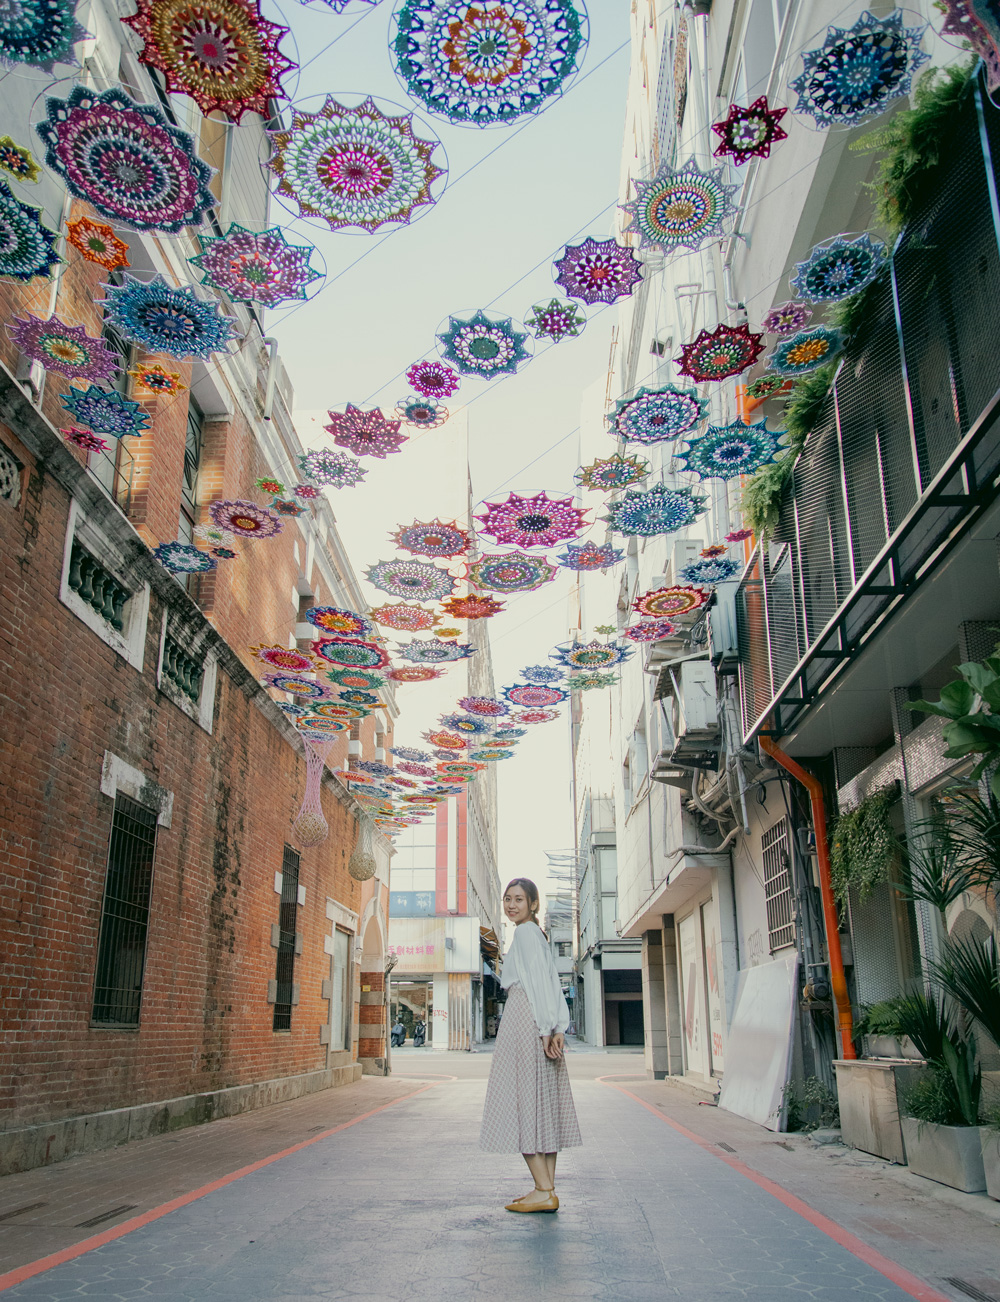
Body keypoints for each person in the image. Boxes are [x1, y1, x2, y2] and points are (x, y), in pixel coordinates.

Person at [479, 877, 581, 1213]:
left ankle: (543, 1189)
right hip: (538, 1020)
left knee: (521, 1100)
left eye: (519, 899)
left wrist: (544, 1028)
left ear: (533, 904)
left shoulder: (524, 933)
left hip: (526, 1019)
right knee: (542, 1103)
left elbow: (537, 983)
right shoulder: (536, 934)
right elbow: (552, 982)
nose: (511, 905)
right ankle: (545, 1189)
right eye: (507, 899)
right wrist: (556, 1027)